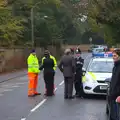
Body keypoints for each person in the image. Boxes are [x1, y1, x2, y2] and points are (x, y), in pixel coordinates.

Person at [109, 49, 120, 120]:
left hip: (118, 97)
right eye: (112, 56)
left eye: (115, 55)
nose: (113, 57)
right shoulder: (115, 67)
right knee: (113, 116)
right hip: (113, 96)